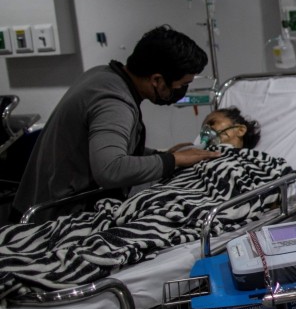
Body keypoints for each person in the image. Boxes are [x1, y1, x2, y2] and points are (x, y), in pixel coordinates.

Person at [12, 25, 219, 221]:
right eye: (183, 84)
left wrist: (156, 155)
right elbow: (110, 169)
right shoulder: (114, 102)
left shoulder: (102, 75)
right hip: (51, 218)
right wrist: (172, 161)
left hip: (35, 203)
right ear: (157, 80)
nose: (183, 90)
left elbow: (97, 145)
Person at [196, 107, 262, 150]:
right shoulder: (198, 161)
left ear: (240, 130)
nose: (207, 130)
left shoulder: (258, 160)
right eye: (204, 129)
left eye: (212, 123)